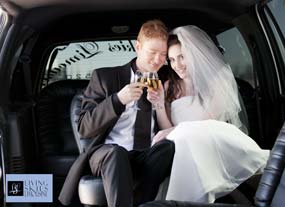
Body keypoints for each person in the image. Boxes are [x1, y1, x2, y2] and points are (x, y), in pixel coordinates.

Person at [146, 25, 270, 203]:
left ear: (194, 54)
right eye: (172, 60)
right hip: (182, 146)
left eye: (182, 57)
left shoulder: (217, 81)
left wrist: (172, 131)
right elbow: (168, 130)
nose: (177, 65)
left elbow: (207, 122)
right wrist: (158, 104)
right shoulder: (169, 86)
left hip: (213, 140)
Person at [58, 19, 175, 207]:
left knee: (167, 148)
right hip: (108, 153)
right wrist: (118, 99)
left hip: (145, 154)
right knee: (116, 153)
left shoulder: (166, 79)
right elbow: (84, 127)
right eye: (152, 53)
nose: (157, 60)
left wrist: (159, 103)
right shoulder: (105, 77)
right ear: (138, 47)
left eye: (163, 54)